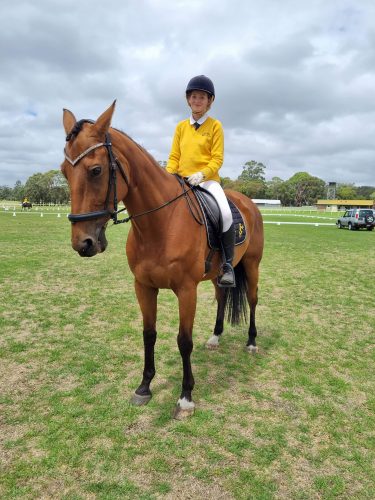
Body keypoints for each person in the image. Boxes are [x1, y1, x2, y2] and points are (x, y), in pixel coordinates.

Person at [166, 75, 235, 287]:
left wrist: (202, 175)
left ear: (210, 101)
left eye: (202, 97)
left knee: (225, 213)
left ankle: (227, 265)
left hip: (207, 181)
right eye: (194, 96)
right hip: (182, 180)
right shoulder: (180, 127)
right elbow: (174, 157)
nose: (197, 100)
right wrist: (168, 177)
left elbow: (217, 158)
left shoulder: (215, 126)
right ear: (188, 100)